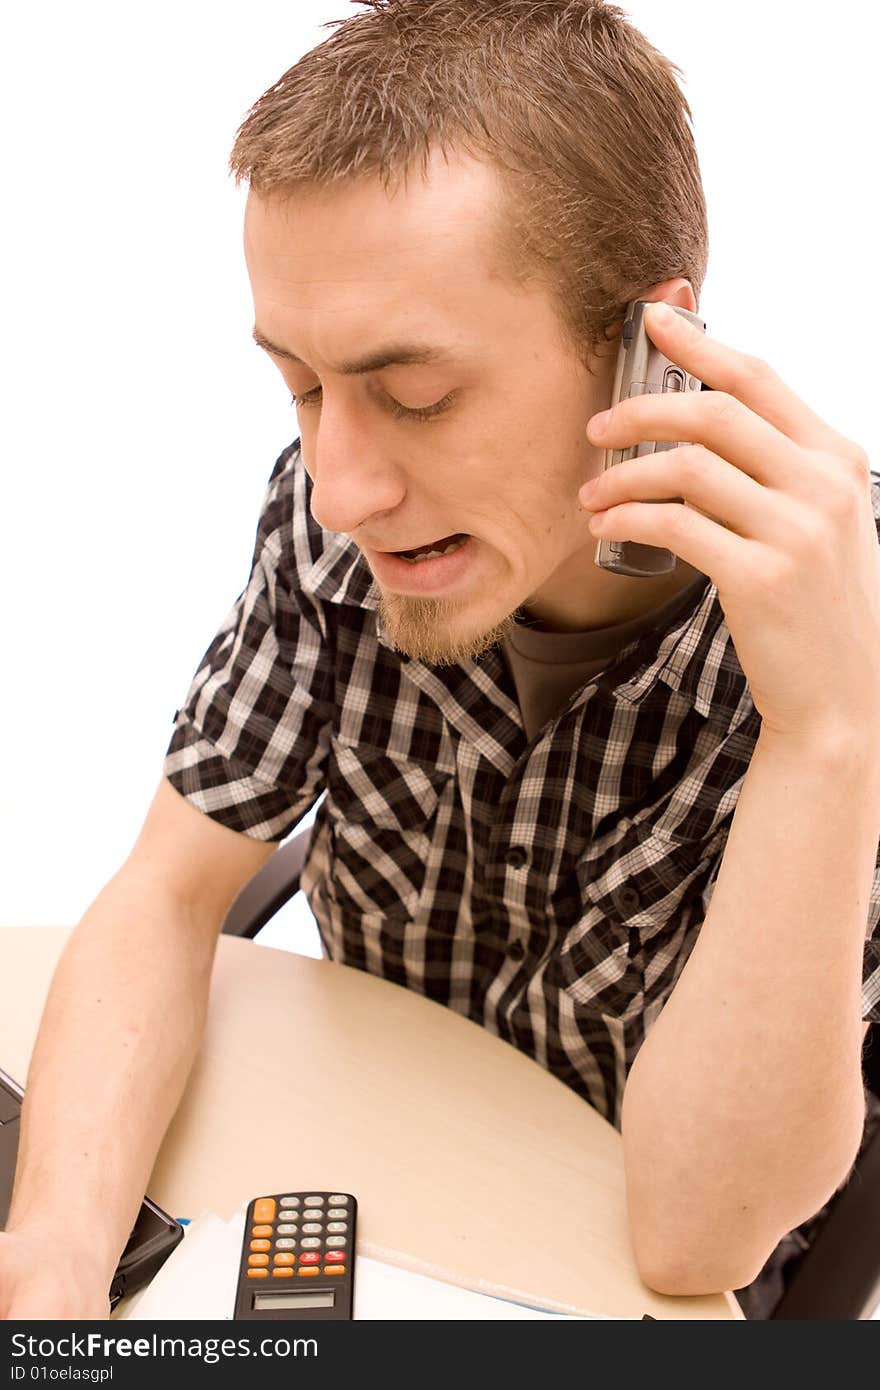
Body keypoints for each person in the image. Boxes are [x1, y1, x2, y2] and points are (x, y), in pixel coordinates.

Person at [3, 0, 879, 1321]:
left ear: (654, 352)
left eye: (414, 395)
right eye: (302, 384)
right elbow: (170, 892)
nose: (342, 486)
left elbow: (697, 1239)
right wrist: (53, 1278)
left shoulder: (843, 617)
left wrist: (827, 736)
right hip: (366, 1160)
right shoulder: (331, 507)